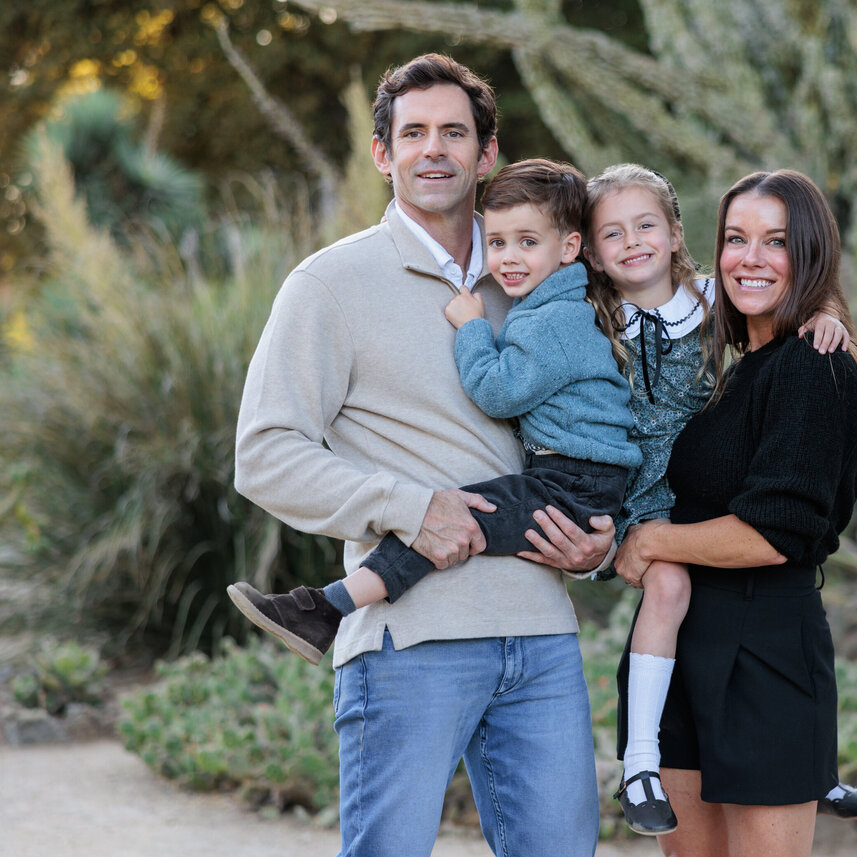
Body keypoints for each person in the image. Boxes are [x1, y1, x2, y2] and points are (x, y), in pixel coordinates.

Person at [233, 54, 609, 857]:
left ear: (488, 154)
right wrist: (411, 506)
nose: (433, 148)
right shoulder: (329, 284)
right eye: (413, 133)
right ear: (382, 154)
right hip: (409, 637)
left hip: (541, 632)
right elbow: (265, 452)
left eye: (453, 132)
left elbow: (600, 425)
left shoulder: (537, 276)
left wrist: (600, 541)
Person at [228, 157, 639, 666]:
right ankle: (322, 608)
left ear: (570, 248)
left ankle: (322, 608)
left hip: (573, 487)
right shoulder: (544, 304)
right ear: (379, 153)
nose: (508, 257)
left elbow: (497, 392)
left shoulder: (548, 318)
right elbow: (263, 454)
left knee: (456, 516)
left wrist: (472, 328)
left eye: (528, 242)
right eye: (498, 242)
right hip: (568, 485)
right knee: (441, 518)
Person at [582, 164, 857, 836]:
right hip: (681, 649)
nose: (751, 259)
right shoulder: (726, 355)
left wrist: (652, 541)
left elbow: (775, 533)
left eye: (776, 242)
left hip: (767, 656)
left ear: (809, 253)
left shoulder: (813, 362)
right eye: (736, 238)